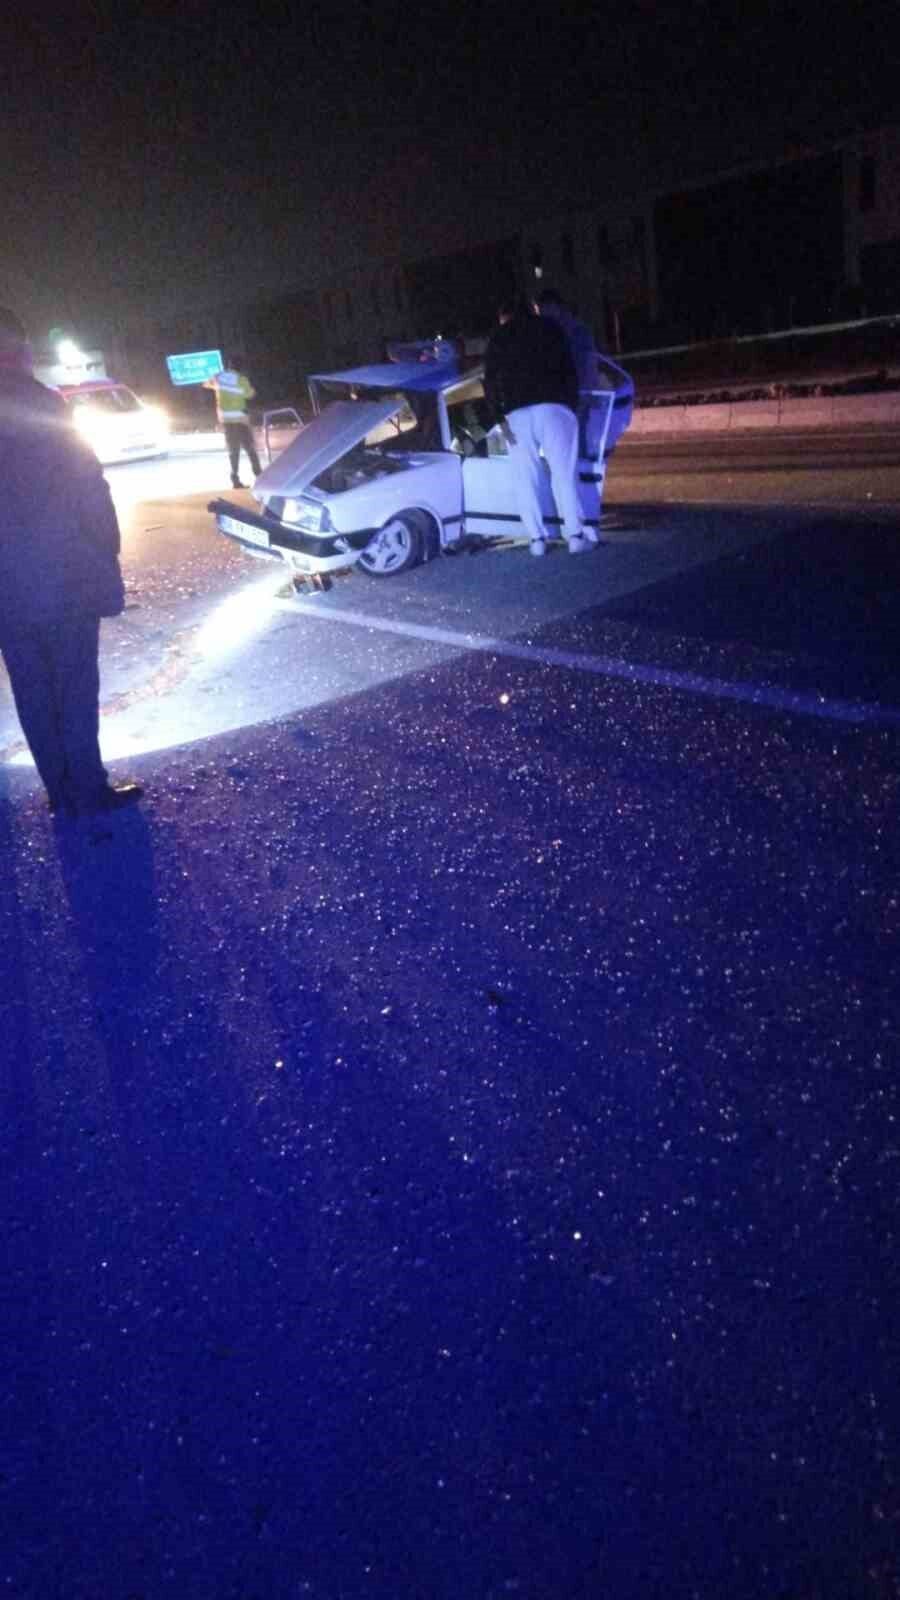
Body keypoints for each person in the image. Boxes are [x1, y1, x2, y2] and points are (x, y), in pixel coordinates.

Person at [0, 307, 143, 818]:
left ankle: (61, 794)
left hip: (7, 593)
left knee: (33, 692)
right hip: (63, 576)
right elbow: (88, 487)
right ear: (18, 351)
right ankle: (89, 788)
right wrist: (106, 551)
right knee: (75, 686)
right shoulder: (44, 405)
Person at [483, 296, 598, 557]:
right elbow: (569, 369)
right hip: (554, 408)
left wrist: (499, 417)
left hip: (515, 417)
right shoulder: (551, 328)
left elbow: (489, 382)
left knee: (525, 478)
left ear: (505, 315)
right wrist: (572, 405)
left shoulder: (498, 337)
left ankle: (536, 540)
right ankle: (576, 536)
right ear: (531, 310)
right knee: (563, 475)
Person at [204, 354, 261, 488]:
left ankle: (234, 479)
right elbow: (251, 394)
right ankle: (259, 475)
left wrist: (218, 388)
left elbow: (206, 384)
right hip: (241, 420)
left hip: (227, 421)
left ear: (228, 365)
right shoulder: (242, 380)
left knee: (233, 451)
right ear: (240, 367)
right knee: (250, 448)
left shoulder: (218, 377)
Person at [536, 287, 598, 391]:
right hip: (570, 391)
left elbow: (585, 364)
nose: (542, 313)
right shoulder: (551, 331)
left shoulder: (574, 331)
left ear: (555, 306)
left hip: (578, 390)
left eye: (545, 308)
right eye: (541, 309)